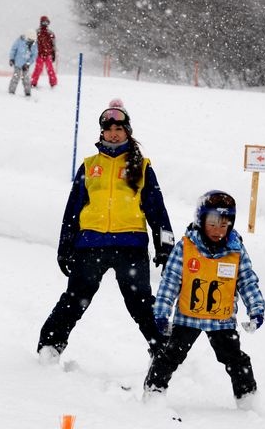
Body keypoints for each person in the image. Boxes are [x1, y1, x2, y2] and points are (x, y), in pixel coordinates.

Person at [37, 99, 175, 364]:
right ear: (101, 132)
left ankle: (163, 350)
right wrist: (65, 246)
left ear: (127, 132)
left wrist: (165, 246)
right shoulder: (89, 166)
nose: (113, 133)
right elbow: (73, 211)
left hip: (130, 246)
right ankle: (50, 346)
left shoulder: (142, 167)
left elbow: (157, 210)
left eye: (119, 129)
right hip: (90, 244)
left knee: (140, 302)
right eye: (108, 128)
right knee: (75, 299)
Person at [143, 190, 265, 408]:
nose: (218, 231)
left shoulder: (235, 251)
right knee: (170, 356)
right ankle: (154, 392)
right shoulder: (185, 248)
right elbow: (170, 281)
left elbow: (246, 280)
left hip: (221, 320)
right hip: (187, 318)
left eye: (224, 225)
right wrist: (161, 312)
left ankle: (248, 401)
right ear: (200, 221)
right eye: (212, 224)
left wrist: (256, 307)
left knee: (236, 360)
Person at [8, 30, 38, 96]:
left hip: (25, 65)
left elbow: (34, 56)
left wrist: (28, 63)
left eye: (32, 41)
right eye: (30, 40)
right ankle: (11, 91)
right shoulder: (20, 41)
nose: (31, 42)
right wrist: (11, 59)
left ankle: (27, 92)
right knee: (16, 77)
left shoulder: (34, 45)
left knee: (26, 79)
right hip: (18, 63)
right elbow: (13, 49)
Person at [31, 15, 57, 88]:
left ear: (48, 23)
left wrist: (53, 53)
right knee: (38, 69)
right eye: (43, 22)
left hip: (48, 54)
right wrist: (33, 52)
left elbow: (53, 44)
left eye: (46, 22)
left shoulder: (50, 33)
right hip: (39, 54)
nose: (44, 23)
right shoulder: (37, 32)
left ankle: (53, 83)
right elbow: (33, 43)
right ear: (41, 22)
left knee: (50, 69)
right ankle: (33, 82)